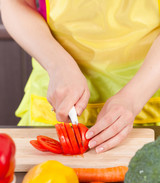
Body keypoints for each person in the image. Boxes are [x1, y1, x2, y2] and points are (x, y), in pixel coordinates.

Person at [1, 0, 160, 153]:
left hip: (148, 100)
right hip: (54, 99)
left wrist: (133, 97)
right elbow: (15, 3)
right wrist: (58, 64)